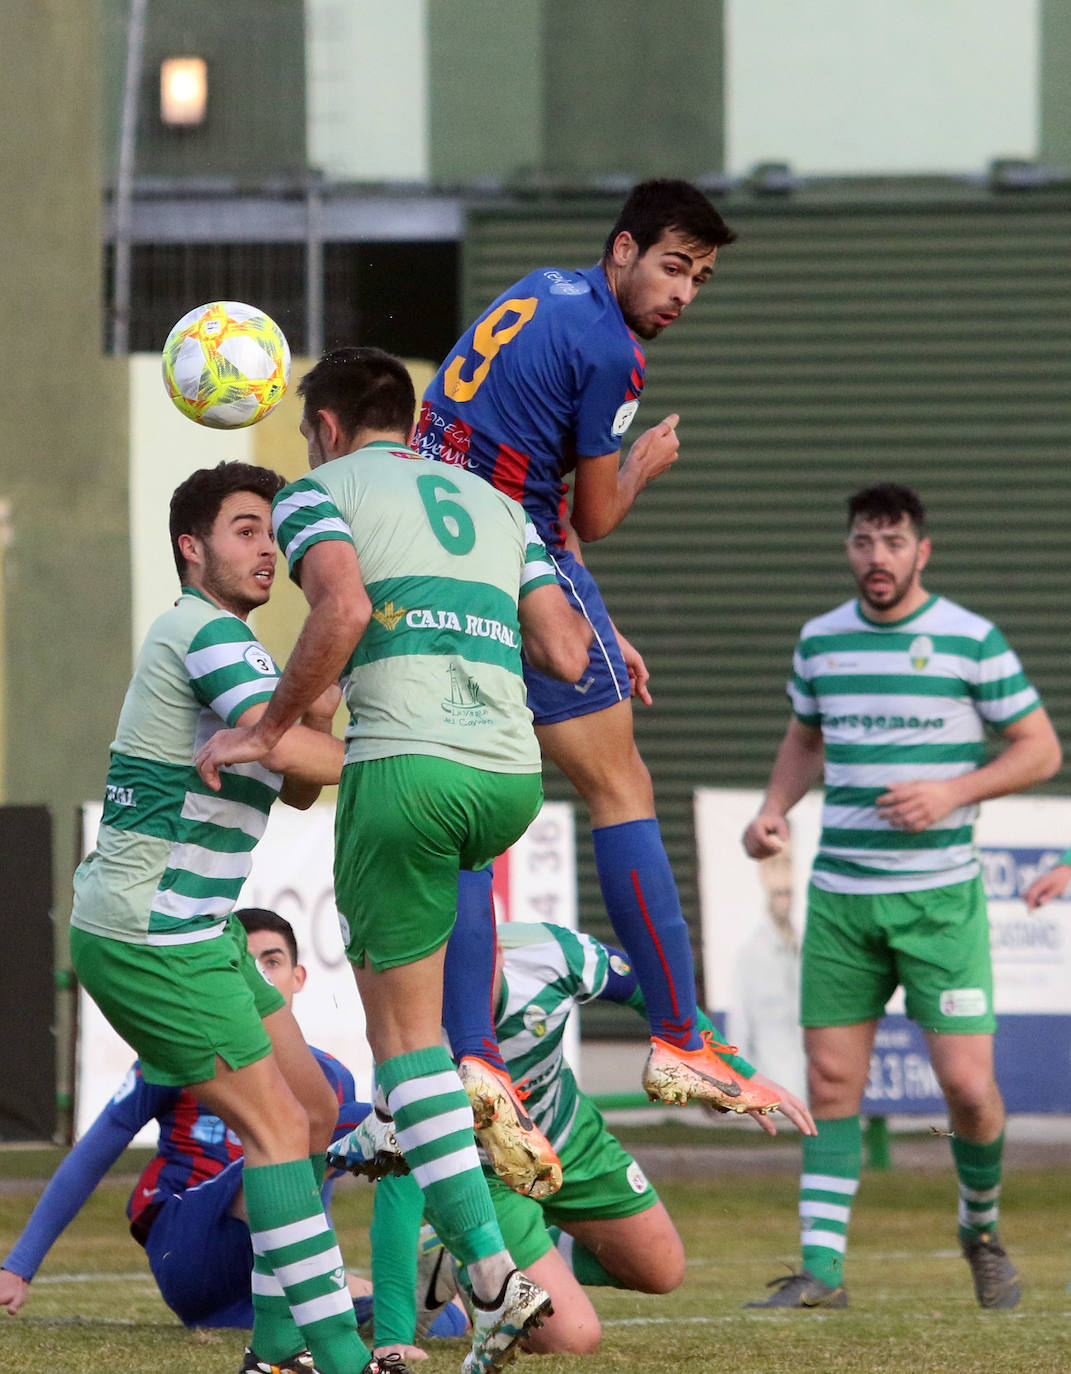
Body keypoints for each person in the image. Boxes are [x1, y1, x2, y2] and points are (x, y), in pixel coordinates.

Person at [194, 346, 596, 1374]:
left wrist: (268, 726)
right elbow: (565, 652)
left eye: (305, 434)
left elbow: (342, 611)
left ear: (326, 428)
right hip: (507, 777)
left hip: (406, 772)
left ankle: (492, 1280)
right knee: (422, 1046)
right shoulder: (495, 505)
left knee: (407, 1046)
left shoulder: (319, 492)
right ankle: (403, 1137)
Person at [413, 177, 779, 1119]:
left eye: (698, 279)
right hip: (513, 553)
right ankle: (680, 1039)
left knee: (467, 802)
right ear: (623, 250)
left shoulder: (538, 287)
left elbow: (506, 451)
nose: (682, 294)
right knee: (621, 787)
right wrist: (643, 464)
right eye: (672, 268)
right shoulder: (613, 351)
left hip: (427, 553)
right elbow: (594, 515)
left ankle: (472, 1056)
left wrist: (599, 621)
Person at [67, 463, 386, 1374]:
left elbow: (292, 782)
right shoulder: (200, 630)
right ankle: (338, 1356)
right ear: (191, 548)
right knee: (277, 1131)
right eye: (246, 530)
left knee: (315, 1112)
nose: (268, 549)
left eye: (273, 533)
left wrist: (316, 698)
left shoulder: (235, 646)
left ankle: (277, 1347)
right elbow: (294, 753)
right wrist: (408, 757)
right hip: (151, 935)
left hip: (199, 929)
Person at [741, 482, 1062, 1311]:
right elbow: (803, 739)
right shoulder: (820, 641)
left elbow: (1038, 750)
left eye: (891, 543)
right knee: (830, 1080)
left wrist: (952, 792)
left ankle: (980, 1232)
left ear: (922, 552)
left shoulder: (970, 639)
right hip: (842, 900)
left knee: (966, 1089)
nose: (875, 557)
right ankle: (822, 1270)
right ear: (848, 550)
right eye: (862, 541)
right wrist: (773, 809)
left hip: (938, 902)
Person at [361, 921, 814, 1365]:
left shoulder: (551, 953)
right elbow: (398, 1188)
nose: (464, 992)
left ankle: (459, 1257)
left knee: (662, 1269)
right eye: (448, 977)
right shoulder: (410, 1039)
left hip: (570, 1139)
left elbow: (653, 993)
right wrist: (393, 1339)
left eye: (474, 968)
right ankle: (475, 1259)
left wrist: (737, 1073)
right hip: (485, 1179)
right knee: (574, 1338)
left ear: (496, 948)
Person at [0, 911, 388, 1365]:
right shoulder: (181, 1049)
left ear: (298, 977)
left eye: (273, 962)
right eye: (245, 964)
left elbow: (312, 1198)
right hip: (188, 1245)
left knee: (433, 1316)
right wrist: (19, 1265)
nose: (260, 977)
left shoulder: (330, 1075)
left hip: (250, 1278)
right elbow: (96, 1150)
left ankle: (442, 1281)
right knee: (339, 1126)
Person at [733, 836, 807, 1099]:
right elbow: (740, 1031)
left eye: (787, 863)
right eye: (774, 864)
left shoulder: (805, 946)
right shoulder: (752, 954)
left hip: (808, 1091)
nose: (782, 877)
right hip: (770, 1094)